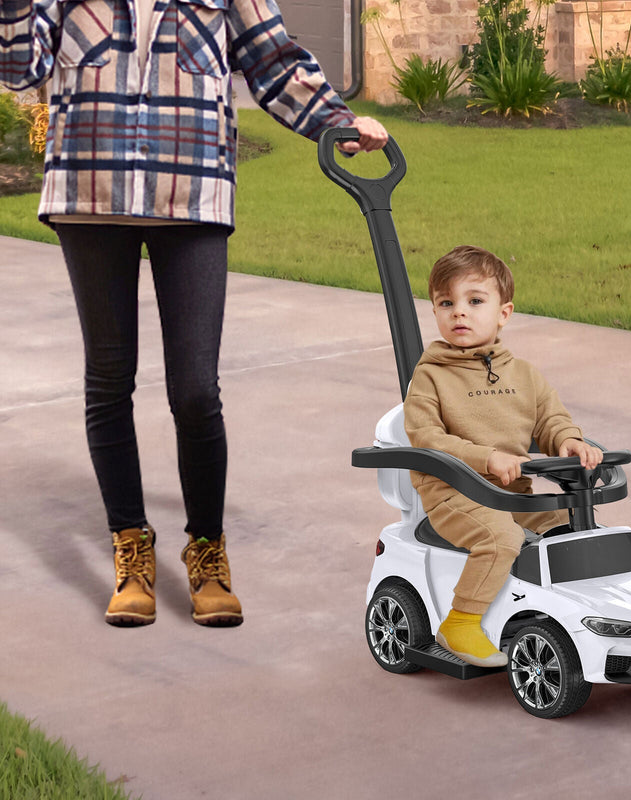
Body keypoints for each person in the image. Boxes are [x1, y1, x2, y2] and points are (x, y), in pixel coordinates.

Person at [0, 0, 388, 627]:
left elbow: (271, 59)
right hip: (89, 190)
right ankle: (131, 547)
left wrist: (336, 121)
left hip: (194, 189)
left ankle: (206, 548)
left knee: (196, 391)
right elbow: (21, 70)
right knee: (108, 378)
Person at [403, 245, 603, 667]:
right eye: (446, 302)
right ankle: (461, 621)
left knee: (571, 530)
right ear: (435, 311)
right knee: (501, 538)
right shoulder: (430, 375)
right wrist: (485, 457)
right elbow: (425, 438)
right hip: (453, 495)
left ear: (503, 313)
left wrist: (568, 441)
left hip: (514, 492)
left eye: (474, 301)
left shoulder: (524, 374)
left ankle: (566, 615)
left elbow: (550, 419)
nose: (459, 312)